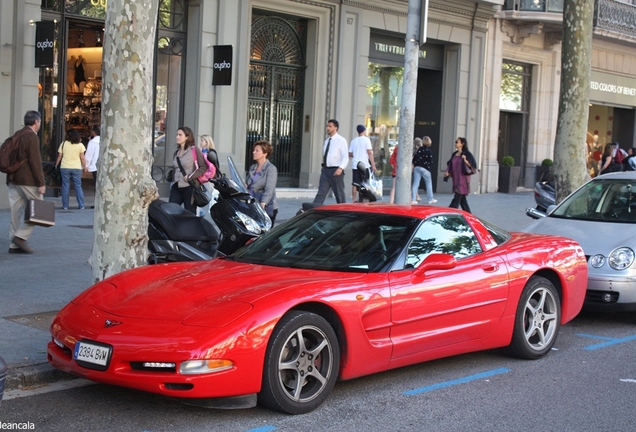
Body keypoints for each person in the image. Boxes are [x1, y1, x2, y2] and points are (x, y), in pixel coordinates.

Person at [6, 110, 46, 254]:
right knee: (40, 210)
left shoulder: (18, 134)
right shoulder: (31, 136)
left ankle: (14, 244)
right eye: (40, 122)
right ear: (36, 122)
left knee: (15, 212)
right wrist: (41, 183)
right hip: (27, 180)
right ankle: (20, 237)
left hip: (12, 179)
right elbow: (35, 161)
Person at [169, 126, 207, 214]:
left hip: (189, 187)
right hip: (176, 186)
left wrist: (190, 176)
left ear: (187, 137)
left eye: (180, 135)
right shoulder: (176, 152)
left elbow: (203, 167)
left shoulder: (194, 150)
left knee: (190, 214)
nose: (177, 137)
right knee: (170, 212)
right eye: (177, 135)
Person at [313, 119, 348, 204]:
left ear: (336, 128)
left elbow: (345, 156)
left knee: (339, 194)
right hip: (325, 170)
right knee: (320, 193)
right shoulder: (326, 141)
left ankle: (343, 212)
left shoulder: (341, 140)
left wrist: (341, 168)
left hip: (336, 170)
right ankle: (312, 210)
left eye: (330, 126)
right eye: (327, 126)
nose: (327, 128)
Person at [247, 140, 279, 225]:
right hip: (252, 205)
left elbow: (269, 189)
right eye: (254, 150)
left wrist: (263, 204)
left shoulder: (271, 169)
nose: (254, 152)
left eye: (257, 151)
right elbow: (249, 184)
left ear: (265, 153)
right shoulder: (253, 167)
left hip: (265, 207)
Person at [55, 129, 86, 210]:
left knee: (65, 185)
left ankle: (65, 206)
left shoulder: (64, 144)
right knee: (78, 186)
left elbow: (59, 156)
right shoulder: (80, 145)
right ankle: (81, 205)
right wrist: (85, 166)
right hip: (76, 167)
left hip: (65, 166)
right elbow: (82, 158)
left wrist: (56, 164)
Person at [444, 137, 477, 213]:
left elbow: (473, 166)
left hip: (463, 180)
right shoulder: (454, 154)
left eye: (457, 142)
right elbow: (450, 164)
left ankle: (448, 213)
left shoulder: (467, 154)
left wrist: (465, 160)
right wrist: (447, 171)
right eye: (455, 142)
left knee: (456, 198)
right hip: (456, 179)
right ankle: (470, 217)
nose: (455, 143)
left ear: (462, 144)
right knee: (463, 201)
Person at [348, 124, 377, 202]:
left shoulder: (353, 141)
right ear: (364, 131)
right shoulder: (366, 140)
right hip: (364, 165)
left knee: (355, 183)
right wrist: (373, 165)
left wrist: (356, 154)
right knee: (365, 183)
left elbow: (350, 153)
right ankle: (364, 198)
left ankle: (354, 199)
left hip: (355, 165)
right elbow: (370, 153)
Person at [412, 136, 437, 205]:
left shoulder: (419, 149)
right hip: (425, 168)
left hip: (417, 167)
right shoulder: (429, 151)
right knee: (428, 183)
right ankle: (430, 199)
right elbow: (430, 162)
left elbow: (414, 159)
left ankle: (413, 199)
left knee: (416, 183)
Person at [197, 134, 216, 217]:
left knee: (210, 196)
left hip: (206, 179)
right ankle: (199, 213)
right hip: (199, 177)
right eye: (200, 140)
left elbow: (212, 168)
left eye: (202, 140)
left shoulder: (210, 153)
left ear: (207, 142)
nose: (201, 142)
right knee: (199, 196)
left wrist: (204, 177)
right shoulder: (200, 151)